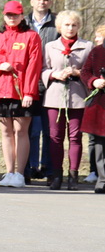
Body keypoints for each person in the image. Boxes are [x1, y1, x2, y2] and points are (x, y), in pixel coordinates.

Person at [0, 1, 43, 188]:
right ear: (4, 16)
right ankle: (9, 172)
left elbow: (34, 67)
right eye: (8, 15)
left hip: (21, 92)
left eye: (15, 15)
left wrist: (28, 92)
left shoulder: (31, 37)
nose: (11, 18)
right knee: (5, 132)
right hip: (1, 90)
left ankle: (20, 173)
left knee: (20, 131)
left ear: (21, 16)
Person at [41, 10, 92, 190]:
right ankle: (56, 176)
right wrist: (54, 74)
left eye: (74, 25)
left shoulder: (87, 46)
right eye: (66, 25)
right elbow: (43, 70)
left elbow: (90, 71)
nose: (70, 28)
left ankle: (73, 176)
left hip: (78, 96)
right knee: (55, 137)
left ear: (79, 26)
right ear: (59, 27)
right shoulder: (50, 46)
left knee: (75, 137)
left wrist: (78, 72)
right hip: (55, 97)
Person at [27, 0, 59, 181]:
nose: (42, 2)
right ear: (32, 1)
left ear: (50, 2)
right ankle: (29, 167)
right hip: (28, 85)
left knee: (49, 132)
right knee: (31, 132)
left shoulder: (58, 23)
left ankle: (48, 168)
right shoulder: (23, 23)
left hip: (51, 84)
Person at [80, 38, 105, 193]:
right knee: (100, 143)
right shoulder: (97, 51)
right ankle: (102, 179)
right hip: (100, 104)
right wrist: (94, 81)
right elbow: (85, 72)